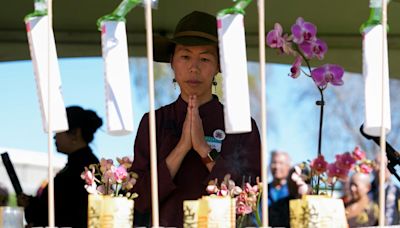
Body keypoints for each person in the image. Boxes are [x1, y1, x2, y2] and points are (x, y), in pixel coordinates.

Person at [131, 11, 261, 227]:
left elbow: (248, 198)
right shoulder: (154, 122)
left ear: (219, 66)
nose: (194, 67)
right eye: (185, 56)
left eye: (204, 58)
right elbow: (140, 198)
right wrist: (181, 148)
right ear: (172, 61)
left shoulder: (240, 125)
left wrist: (203, 150)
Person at [17, 106, 102, 227]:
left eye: (58, 131)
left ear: (75, 133)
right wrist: (31, 204)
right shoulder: (81, 164)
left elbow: (71, 214)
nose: (54, 136)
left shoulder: (86, 167)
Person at [369, 152, 400, 225]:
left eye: (386, 165)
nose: (382, 168)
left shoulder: (397, 192)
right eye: (379, 164)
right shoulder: (366, 190)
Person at [268, 150, 291, 227]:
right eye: (274, 163)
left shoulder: (293, 192)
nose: (277, 167)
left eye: (281, 163)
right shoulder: (263, 191)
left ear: (288, 166)